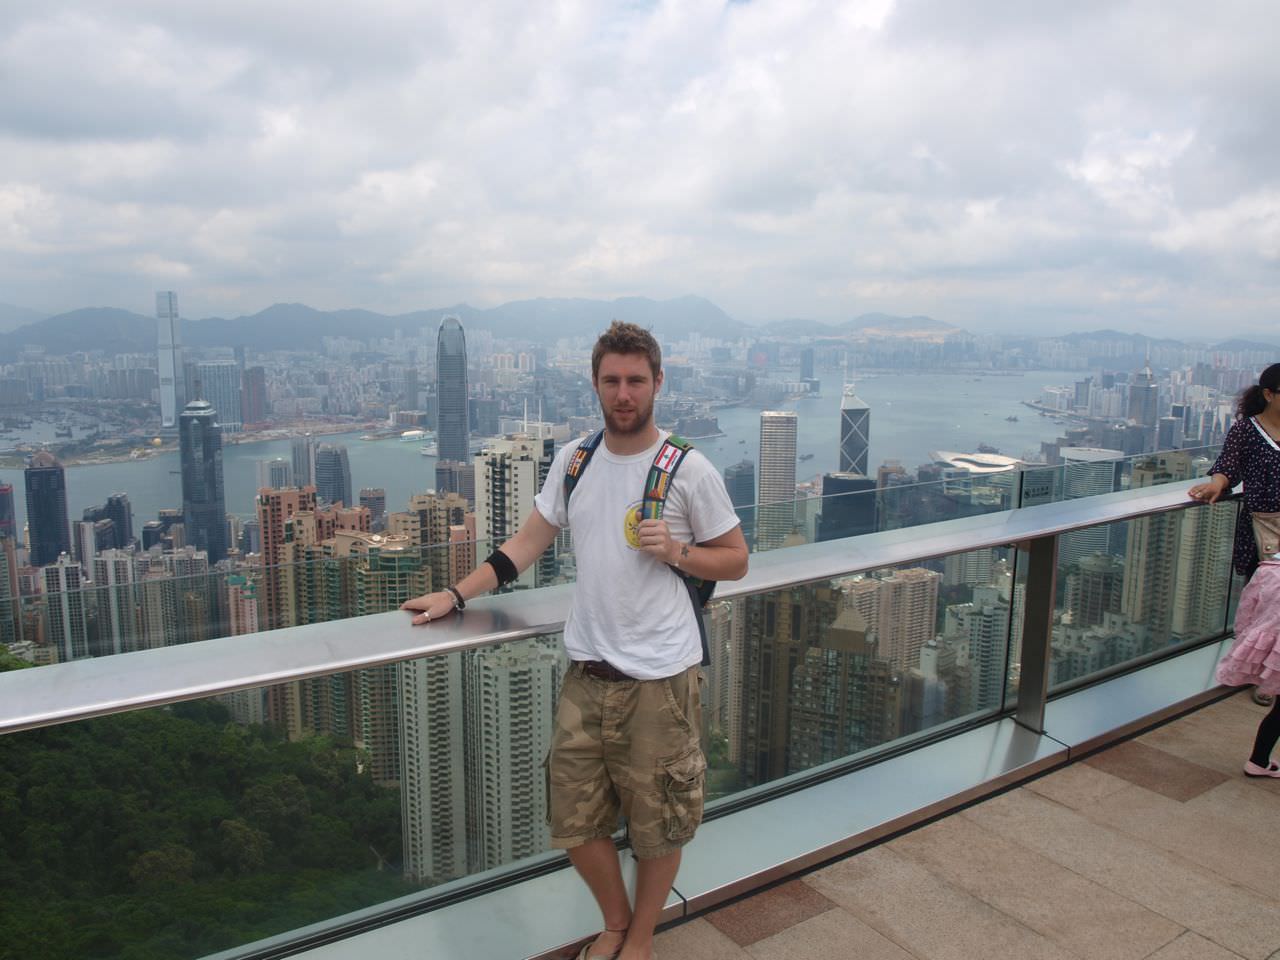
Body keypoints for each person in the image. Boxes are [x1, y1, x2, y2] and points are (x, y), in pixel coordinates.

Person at [401, 321, 749, 960]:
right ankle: (616, 920)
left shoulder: (687, 469)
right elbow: (527, 544)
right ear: (595, 383)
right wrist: (456, 594)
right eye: (612, 380)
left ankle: (639, 937)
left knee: (659, 823)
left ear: (657, 384)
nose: (624, 393)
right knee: (574, 818)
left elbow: (735, 559)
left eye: (635, 381)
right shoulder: (576, 459)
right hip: (586, 672)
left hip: (660, 678)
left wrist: (677, 551)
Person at [1190, 363, 1280, 761]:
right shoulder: (1248, 429)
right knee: (1265, 607)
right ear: (1269, 394)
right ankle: (1263, 677)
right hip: (1264, 528)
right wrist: (1218, 483)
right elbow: (1229, 465)